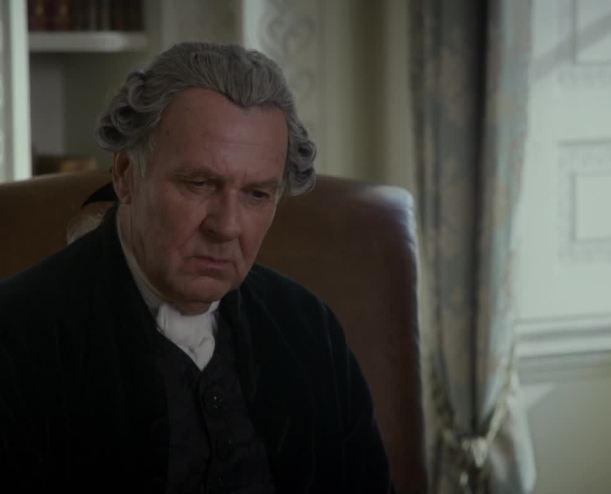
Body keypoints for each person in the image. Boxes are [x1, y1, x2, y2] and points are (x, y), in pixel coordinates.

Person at [0, 41, 392, 492]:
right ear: (126, 175)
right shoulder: (17, 338)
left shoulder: (309, 327)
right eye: (199, 183)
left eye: (257, 194)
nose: (226, 227)